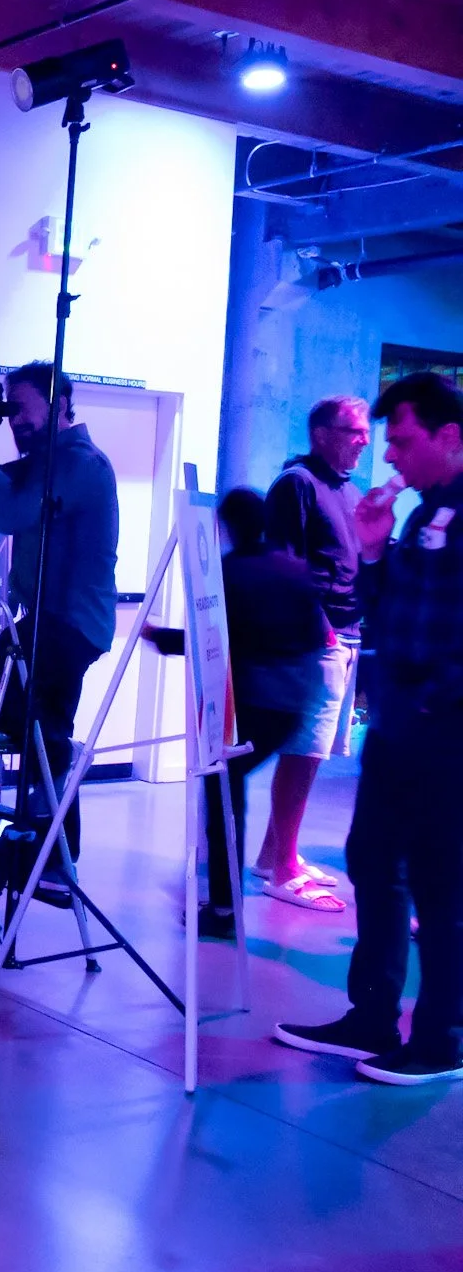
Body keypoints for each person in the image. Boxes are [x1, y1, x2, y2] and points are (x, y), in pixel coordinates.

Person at [275, 371, 463, 1085]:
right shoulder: (421, 515)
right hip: (397, 728)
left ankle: (443, 1037)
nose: (389, 457)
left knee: (444, 884)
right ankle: (373, 1013)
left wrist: (432, 703)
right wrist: (376, 550)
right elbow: (388, 615)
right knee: (374, 860)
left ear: (450, 436)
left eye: (404, 441)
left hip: (442, 730)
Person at [0, 362, 120, 895]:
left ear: (60, 403)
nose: (15, 422)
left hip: (69, 621)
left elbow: (15, 513)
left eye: (22, 409)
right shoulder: (46, 460)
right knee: (37, 728)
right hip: (49, 620)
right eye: (10, 411)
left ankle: (51, 848)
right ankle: (44, 851)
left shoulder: (81, 464)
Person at [144, 489, 330, 940]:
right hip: (291, 705)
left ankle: (226, 909)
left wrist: (157, 637)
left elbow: (210, 639)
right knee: (230, 789)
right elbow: (315, 639)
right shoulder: (295, 569)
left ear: (225, 526)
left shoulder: (230, 574)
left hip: (250, 706)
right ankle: (227, 902)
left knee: (223, 793)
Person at [254, 396, 372, 911]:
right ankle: (282, 872)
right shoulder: (297, 484)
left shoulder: (346, 490)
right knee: (304, 754)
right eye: (354, 431)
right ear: (322, 432)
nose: (364, 441)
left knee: (314, 753)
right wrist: (321, 629)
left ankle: (274, 855)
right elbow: (284, 562)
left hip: (345, 635)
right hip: (317, 639)